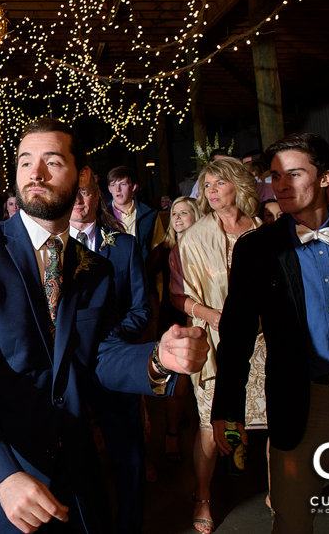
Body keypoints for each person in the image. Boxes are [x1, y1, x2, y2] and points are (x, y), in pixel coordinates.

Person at [0, 117, 209, 534]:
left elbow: (98, 355)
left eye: (51, 162)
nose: (35, 173)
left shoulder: (93, 267)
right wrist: (2, 475)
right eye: (25, 162)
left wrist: (156, 359)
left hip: (72, 474)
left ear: (81, 177)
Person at [212, 133, 329, 534]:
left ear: (325, 178)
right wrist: (227, 411)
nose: (281, 184)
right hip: (302, 398)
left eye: (294, 174)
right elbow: (237, 336)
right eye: (275, 175)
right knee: (292, 518)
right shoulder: (258, 249)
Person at [172, 157, 266, 534]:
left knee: (271, 419)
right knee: (213, 429)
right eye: (206, 186)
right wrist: (211, 315)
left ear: (239, 187)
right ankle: (203, 495)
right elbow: (179, 297)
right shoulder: (193, 238)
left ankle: (280, 491)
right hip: (214, 342)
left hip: (261, 341)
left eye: (218, 184)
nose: (209, 192)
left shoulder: (261, 229)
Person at [69, 176, 151, 534]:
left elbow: (141, 309)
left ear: (96, 196)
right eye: (70, 194)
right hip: (66, 370)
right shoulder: (43, 249)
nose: (77, 201)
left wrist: (111, 340)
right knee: (76, 460)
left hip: (112, 362)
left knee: (128, 459)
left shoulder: (124, 245)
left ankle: (129, 527)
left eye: (84, 192)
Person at [146, 196, 203, 465]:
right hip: (174, 320)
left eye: (184, 213)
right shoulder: (165, 249)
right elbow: (142, 275)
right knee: (178, 386)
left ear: (196, 216)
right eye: (175, 214)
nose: (177, 218)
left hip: (204, 318)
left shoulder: (207, 246)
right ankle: (171, 433)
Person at [107, 166, 165, 261]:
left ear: (133, 187)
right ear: (109, 189)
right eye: (113, 185)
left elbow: (158, 250)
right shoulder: (102, 214)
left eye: (123, 184)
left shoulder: (149, 215)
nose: (118, 189)